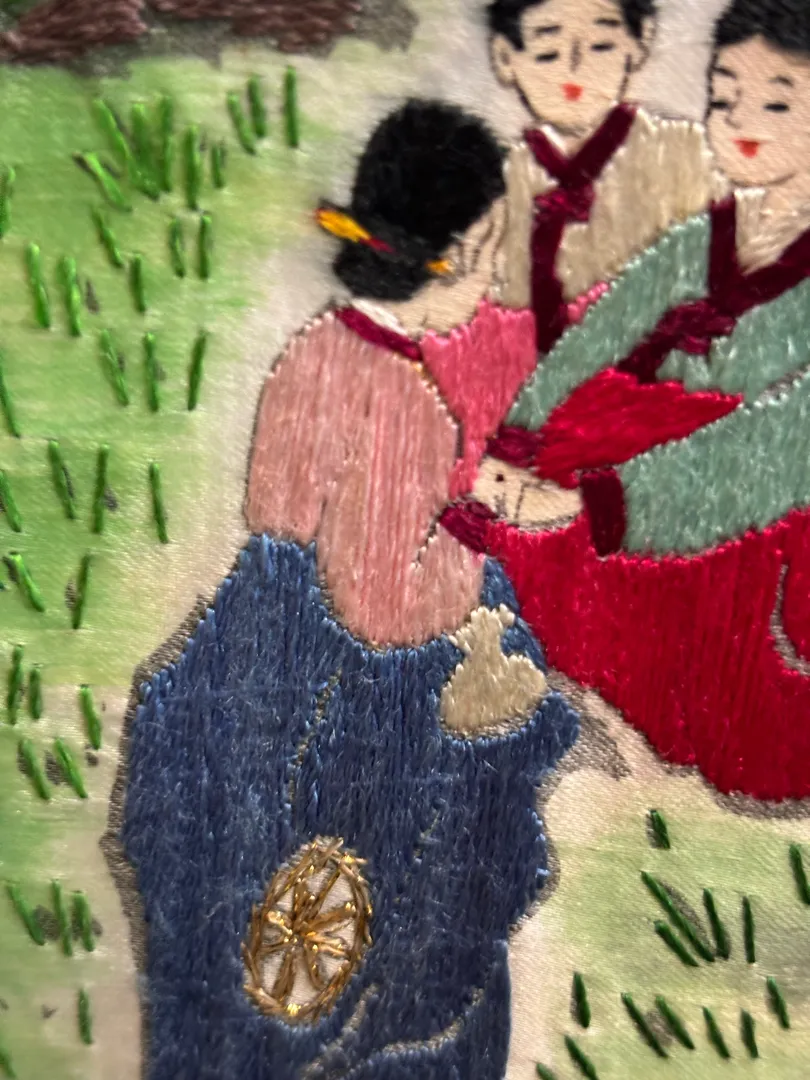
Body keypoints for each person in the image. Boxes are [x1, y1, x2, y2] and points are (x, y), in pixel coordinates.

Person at [120, 100, 578, 1080]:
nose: (494, 278)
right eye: (490, 250)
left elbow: (278, 514)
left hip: (297, 644)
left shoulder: (326, 350)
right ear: (454, 256)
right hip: (372, 698)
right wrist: (485, 527)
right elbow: (383, 601)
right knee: (400, 952)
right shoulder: (395, 395)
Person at [440, 1, 810, 801]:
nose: (741, 124)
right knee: (576, 436)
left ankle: (635, 718)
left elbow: (780, 447)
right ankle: (559, 689)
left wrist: (602, 503)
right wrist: (517, 444)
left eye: (778, 104)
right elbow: (595, 337)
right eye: (723, 98)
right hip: (630, 471)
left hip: (746, 510)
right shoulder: (697, 240)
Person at [488, 0, 714, 350]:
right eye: (548, 54)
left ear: (640, 41)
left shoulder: (684, 153)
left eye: (601, 46)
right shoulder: (500, 179)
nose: (574, 68)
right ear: (505, 57)